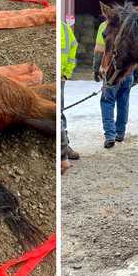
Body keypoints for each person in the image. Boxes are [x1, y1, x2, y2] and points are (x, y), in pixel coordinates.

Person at [93, 17, 138, 149]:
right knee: (123, 101)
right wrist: (136, 75)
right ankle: (120, 133)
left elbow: (99, 50)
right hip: (127, 72)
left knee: (107, 101)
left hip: (112, 72)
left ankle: (110, 136)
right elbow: (136, 54)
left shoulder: (104, 26)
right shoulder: (130, 27)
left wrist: (96, 70)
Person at [61, 18, 80, 174]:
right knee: (59, 113)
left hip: (60, 77)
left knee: (60, 113)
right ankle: (63, 147)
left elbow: (73, 49)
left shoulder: (66, 30)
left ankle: (64, 146)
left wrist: (67, 73)